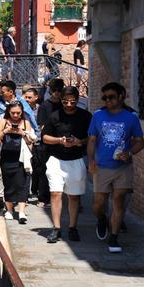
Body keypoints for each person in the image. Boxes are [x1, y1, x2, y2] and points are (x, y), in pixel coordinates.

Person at [88, 82, 144, 253]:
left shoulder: (131, 117)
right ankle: (102, 219)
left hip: (123, 168)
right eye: (104, 97)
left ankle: (113, 238)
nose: (107, 100)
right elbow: (91, 140)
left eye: (111, 97)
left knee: (118, 201)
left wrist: (129, 153)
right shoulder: (98, 116)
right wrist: (90, 160)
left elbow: (140, 142)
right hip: (102, 166)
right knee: (99, 204)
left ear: (122, 96)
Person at [42, 86, 92, 243]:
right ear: (61, 100)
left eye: (72, 101)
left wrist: (79, 142)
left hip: (77, 159)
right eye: (65, 101)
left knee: (74, 196)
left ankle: (72, 227)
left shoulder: (85, 116)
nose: (69, 105)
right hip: (56, 159)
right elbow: (45, 137)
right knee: (55, 193)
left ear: (77, 100)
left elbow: (91, 138)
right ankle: (56, 228)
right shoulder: (54, 116)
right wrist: (59, 140)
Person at [0, 100, 36, 223]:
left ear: (22, 112)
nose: (15, 116)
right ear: (8, 112)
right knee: (9, 184)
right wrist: (6, 131)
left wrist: (22, 133)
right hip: (7, 157)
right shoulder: (3, 122)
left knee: (22, 184)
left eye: (18, 113)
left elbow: (30, 143)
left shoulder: (26, 123)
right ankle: (9, 210)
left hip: (22, 158)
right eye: (13, 113)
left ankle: (21, 212)